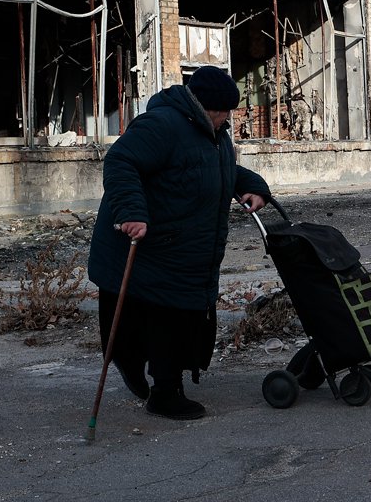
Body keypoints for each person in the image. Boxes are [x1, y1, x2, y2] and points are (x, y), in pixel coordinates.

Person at [88, 65, 270, 420]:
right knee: (165, 319)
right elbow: (121, 161)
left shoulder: (213, 133)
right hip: (148, 244)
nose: (227, 121)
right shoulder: (163, 125)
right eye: (224, 114)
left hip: (185, 246)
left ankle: (158, 380)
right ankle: (164, 392)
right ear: (206, 108)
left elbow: (218, 170)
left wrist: (253, 186)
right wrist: (132, 212)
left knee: (180, 318)